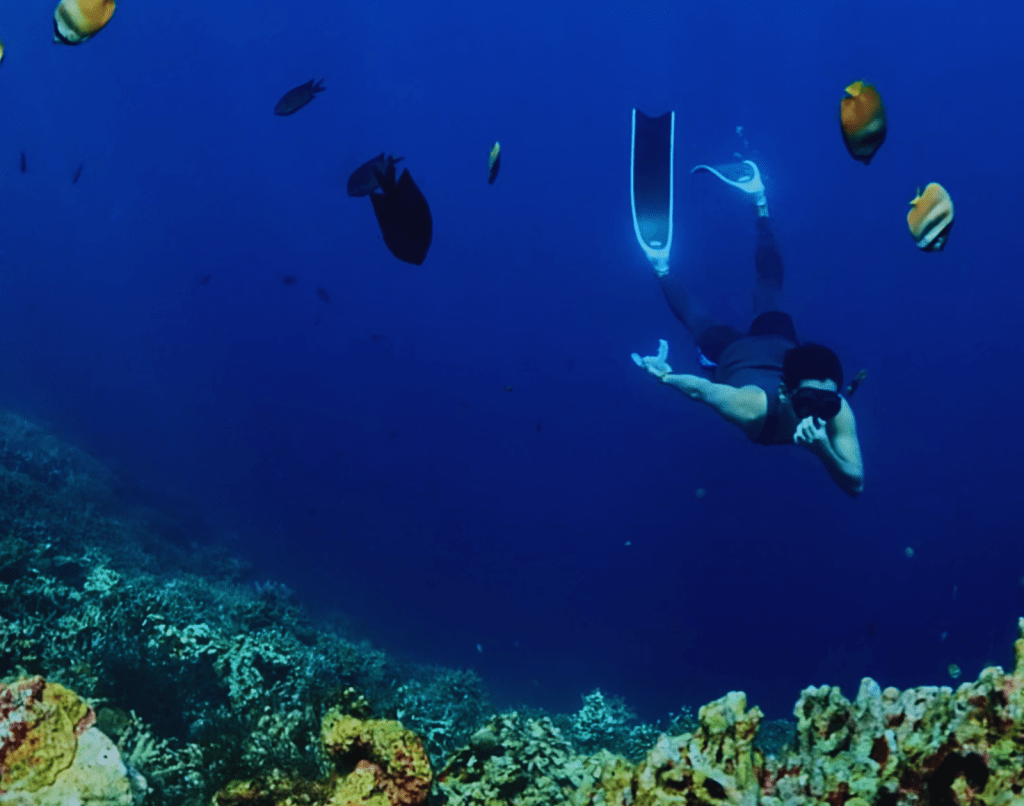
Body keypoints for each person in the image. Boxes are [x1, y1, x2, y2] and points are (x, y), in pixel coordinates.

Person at [631, 160, 864, 497]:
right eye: (809, 402)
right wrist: (666, 376)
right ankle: (661, 267)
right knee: (698, 321)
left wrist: (823, 450)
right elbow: (702, 390)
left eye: (826, 404)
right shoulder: (752, 408)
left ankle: (759, 200)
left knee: (771, 283)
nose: (817, 415)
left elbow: (856, 483)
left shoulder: (835, 410)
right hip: (735, 354)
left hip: (781, 346)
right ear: (785, 393)